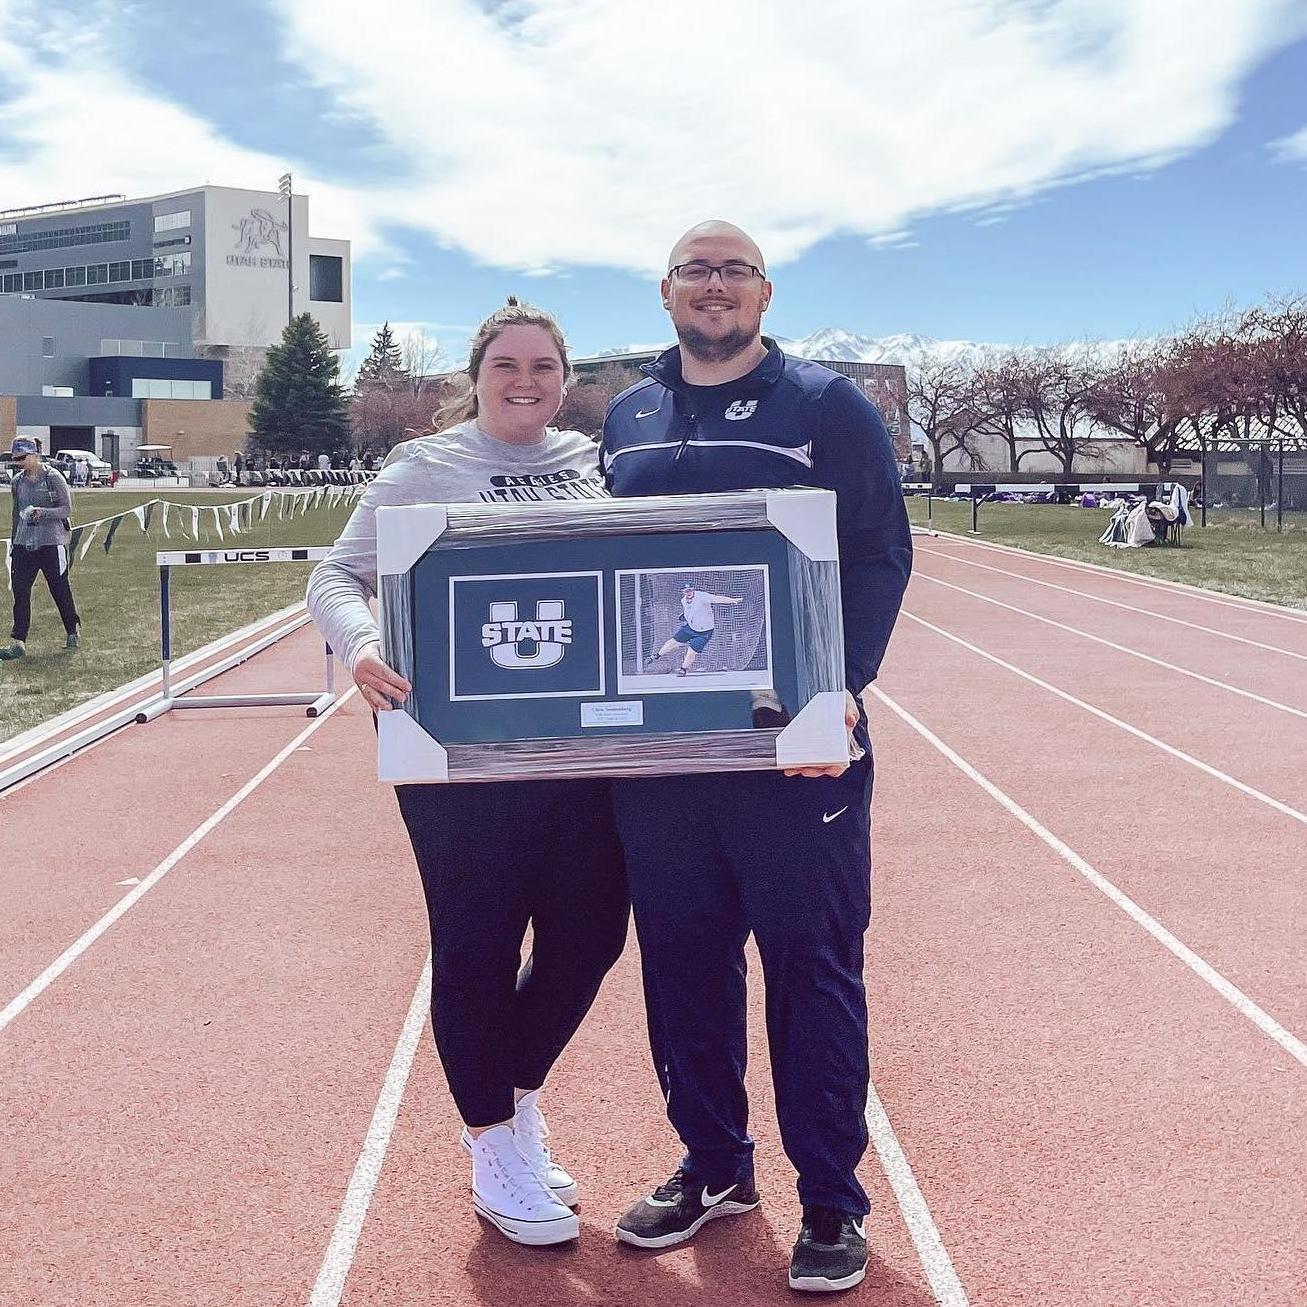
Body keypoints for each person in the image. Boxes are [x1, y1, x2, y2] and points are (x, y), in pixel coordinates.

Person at [601, 221, 912, 1293]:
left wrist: (840, 688)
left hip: (796, 748)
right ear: (665, 290)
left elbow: (877, 549)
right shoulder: (628, 414)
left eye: (734, 269)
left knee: (810, 971)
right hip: (665, 752)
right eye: (696, 268)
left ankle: (828, 1197)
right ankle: (713, 1164)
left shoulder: (826, 404)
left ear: (764, 292)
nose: (715, 285)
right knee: (681, 964)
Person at [306, 298, 628, 1248]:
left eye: (542, 367)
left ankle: (514, 1094)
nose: (524, 380)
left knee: (589, 937)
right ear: (476, 375)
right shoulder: (422, 467)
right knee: (477, 941)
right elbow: (334, 575)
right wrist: (362, 647)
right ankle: (491, 1141)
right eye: (505, 365)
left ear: (564, 381)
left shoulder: (592, 466)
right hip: (453, 750)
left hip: (577, 747)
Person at [2, 437, 81, 660]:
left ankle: (72, 630)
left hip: (51, 542)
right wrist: (15, 541)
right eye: (15, 458)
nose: (19, 462)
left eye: (22, 457)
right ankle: (19, 641)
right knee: (20, 590)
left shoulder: (53, 477)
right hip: (24, 544)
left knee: (59, 588)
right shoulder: (17, 482)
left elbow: (66, 510)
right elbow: (15, 513)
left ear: (34, 454)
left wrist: (43, 512)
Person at [651, 583, 743, 675]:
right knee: (672, 642)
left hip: (704, 632)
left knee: (691, 651)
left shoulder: (701, 596)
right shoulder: (683, 600)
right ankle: (657, 656)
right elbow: (690, 611)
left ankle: (683, 669)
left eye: (690, 590)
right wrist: (685, 616)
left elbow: (716, 598)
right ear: (683, 592)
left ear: (693, 590)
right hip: (690, 628)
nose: (689, 592)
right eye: (686, 591)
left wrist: (731, 600)